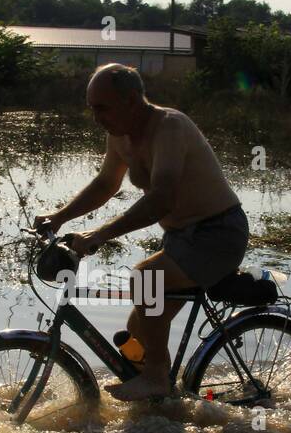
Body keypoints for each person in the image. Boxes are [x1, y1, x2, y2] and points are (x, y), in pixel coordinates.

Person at [34, 63, 248, 401]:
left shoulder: (169, 127)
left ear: (131, 101)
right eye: (91, 108)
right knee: (139, 329)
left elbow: (162, 199)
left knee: (143, 280)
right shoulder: (120, 136)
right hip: (182, 240)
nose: (95, 117)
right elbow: (106, 184)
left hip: (217, 234)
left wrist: (100, 235)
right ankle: (163, 403)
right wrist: (59, 217)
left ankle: (156, 378)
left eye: (102, 107)